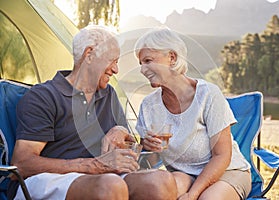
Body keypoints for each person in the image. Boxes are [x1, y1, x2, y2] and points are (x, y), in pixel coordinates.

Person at [9, 25, 177, 200]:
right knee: (110, 186)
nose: (116, 69)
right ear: (89, 54)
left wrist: (121, 130)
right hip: (47, 179)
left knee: (160, 181)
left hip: (100, 176)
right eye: (112, 60)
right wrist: (94, 166)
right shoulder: (44, 96)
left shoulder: (108, 94)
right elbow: (22, 164)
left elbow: (127, 145)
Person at [134, 27, 252, 200]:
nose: (143, 70)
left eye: (148, 61)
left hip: (226, 172)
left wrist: (192, 194)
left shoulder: (208, 95)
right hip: (184, 174)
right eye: (141, 64)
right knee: (156, 191)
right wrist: (147, 147)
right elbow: (150, 163)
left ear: (172, 58)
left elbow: (222, 155)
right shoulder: (148, 105)